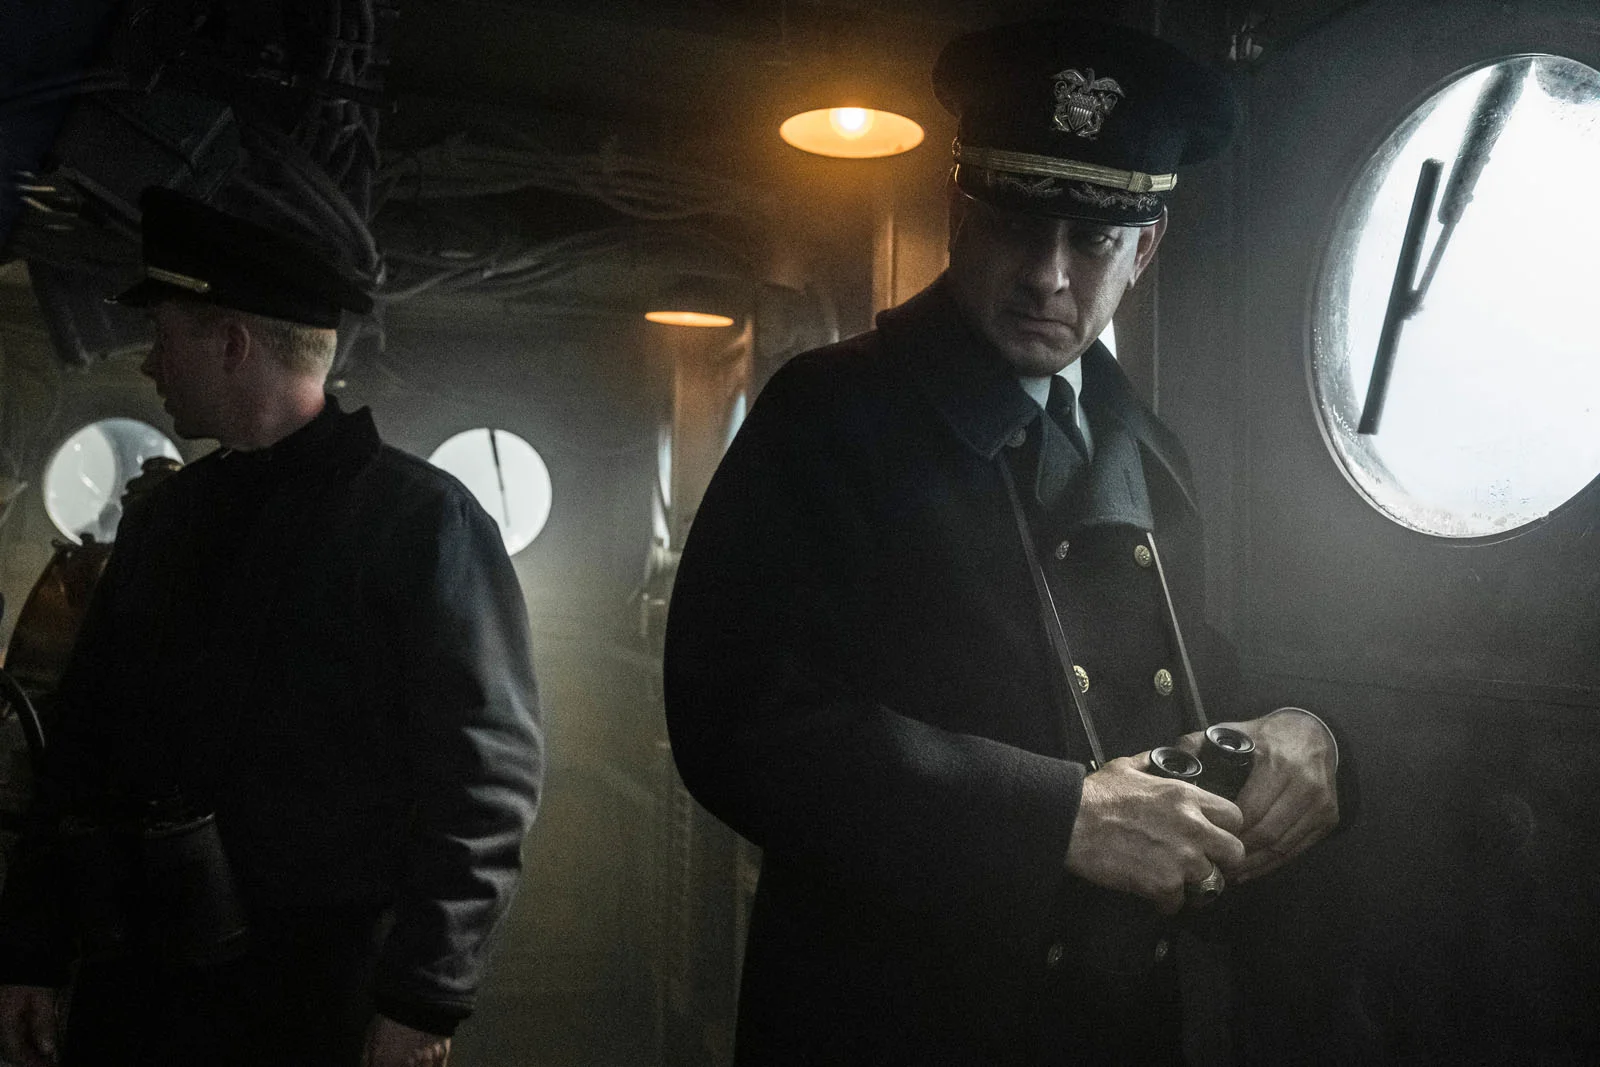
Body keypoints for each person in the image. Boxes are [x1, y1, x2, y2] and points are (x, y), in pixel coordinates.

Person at [664, 18, 1355, 1066]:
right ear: (958, 215)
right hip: (887, 1024)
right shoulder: (830, 414)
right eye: (1018, 225)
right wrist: (1057, 816)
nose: (1047, 275)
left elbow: (1175, 672)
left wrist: (1307, 729)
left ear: (1145, 248)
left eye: (1093, 240)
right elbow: (735, 719)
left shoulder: (1147, 445)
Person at [0, 188, 544, 1067]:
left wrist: (423, 994)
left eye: (163, 335)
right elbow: (81, 747)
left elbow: (484, 780)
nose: (150, 363)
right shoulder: (165, 521)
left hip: (316, 996)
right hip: (138, 984)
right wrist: (33, 949)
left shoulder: (422, 524)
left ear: (232, 344)